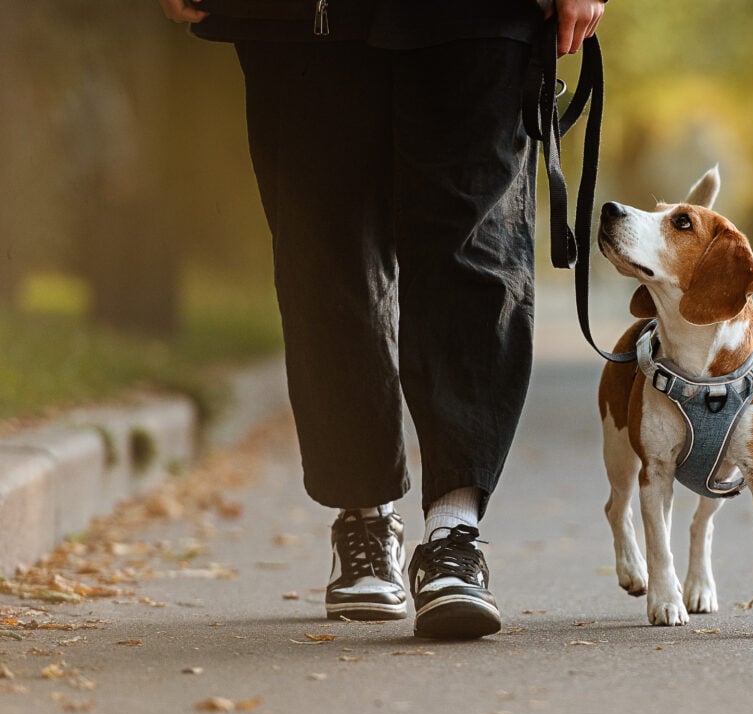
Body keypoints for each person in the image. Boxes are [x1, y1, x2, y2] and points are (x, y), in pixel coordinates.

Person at [156, 0, 607, 639]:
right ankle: (364, 516)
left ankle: (455, 533)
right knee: (324, 252)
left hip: (483, 17)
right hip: (301, 17)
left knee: (474, 249)